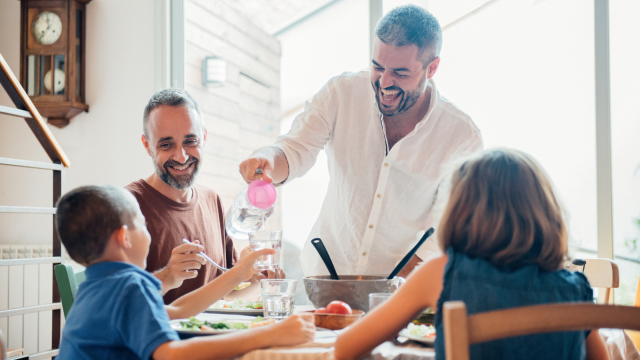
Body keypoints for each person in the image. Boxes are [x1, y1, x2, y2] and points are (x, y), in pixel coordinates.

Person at [239, 5, 483, 278]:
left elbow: (448, 226)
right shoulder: (341, 93)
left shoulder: (462, 136)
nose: (384, 82)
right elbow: (295, 149)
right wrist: (268, 158)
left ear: (432, 67)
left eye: (401, 73)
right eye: (377, 67)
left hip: (403, 289)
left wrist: (398, 288)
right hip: (326, 277)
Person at [334, 149, 610, 360]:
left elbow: (345, 349)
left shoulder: (441, 273)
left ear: (460, 213)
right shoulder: (575, 289)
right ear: (546, 215)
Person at [55, 185, 315, 360]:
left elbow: (179, 310)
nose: (148, 233)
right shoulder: (129, 287)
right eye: (144, 226)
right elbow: (172, 354)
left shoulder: (99, 287)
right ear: (125, 237)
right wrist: (270, 334)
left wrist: (237, 274)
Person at [126, 89, 282, 303]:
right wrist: (167, 277)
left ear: (204, 138)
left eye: (190, 141)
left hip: (210, 333)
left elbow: (226, 293)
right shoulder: (125, 207)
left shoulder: (212, 201)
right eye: (166, 144)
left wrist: (257, 278)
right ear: (147, 146)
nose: (181, 156)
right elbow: (115, 301)